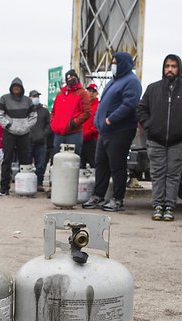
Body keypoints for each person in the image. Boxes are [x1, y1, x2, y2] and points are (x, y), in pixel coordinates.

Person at [137, 54, 182, 221]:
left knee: (173, 176)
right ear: (163, 68)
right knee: (157, 175)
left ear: (179, 68)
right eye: (167, 66)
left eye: (173, 66)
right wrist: (149, 125)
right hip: (156, 140)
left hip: (178, 142)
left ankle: (169, 207)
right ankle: (158, 206)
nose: (170, 69)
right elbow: (141, 109)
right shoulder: (153, 89)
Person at [82, 52, 142, 212]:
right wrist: (99, 122)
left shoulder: (131, 82)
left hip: (120, 131)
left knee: (117, 166)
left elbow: (130, 104)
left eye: (116, 62)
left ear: (124, 64)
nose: (113, 65)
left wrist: (111, 119)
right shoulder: (113, 81)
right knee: (101, 164)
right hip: (105, 131)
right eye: (112, 62)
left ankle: (117, 199)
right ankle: (98, 196)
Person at [0, 77, 37, 196]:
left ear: (22, 88)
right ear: (11, 87)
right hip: (9, 133)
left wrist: (26, 127)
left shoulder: (28, 101)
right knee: (7, 160)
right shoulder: (4, 98)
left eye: (18, 86)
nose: (16, 88)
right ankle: (4, 188)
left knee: (25, 161)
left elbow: (33, 116)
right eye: (14, 86)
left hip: (24, 134)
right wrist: (8, 125)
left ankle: (24, 188)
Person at [50, 69, 91, 157]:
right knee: (57, 160)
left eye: (73, 76)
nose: (71, 79)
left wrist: (73, 123)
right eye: (69, 77)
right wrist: (53, 123)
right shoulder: (59, 94)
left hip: (74, 133)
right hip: (58, 134)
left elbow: (87, 112)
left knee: (72, 161)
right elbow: (53, 111)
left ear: (77, 78)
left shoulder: (83, 93)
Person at [28, 90, 51, 191]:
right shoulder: (26, 110)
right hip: (28, 142)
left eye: (37, 96)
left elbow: (49, 125)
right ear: (29, 97)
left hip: (41, 142)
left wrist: (43, 134)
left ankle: (39, 183)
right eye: (34, 96)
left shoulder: (44, 111)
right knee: (27, 164)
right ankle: (28, 184)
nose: (36, 97)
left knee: (41, 164)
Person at [81, 83, 99, 169]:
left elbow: (98, 123)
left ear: (96, 94)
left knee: (94, 164)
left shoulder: (99, 106)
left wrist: (89, 132)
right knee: (80, 165)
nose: (91, 93)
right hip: (81, 139)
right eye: (89, 91)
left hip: (92, 140)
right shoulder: (82, 105)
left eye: (93, 91)